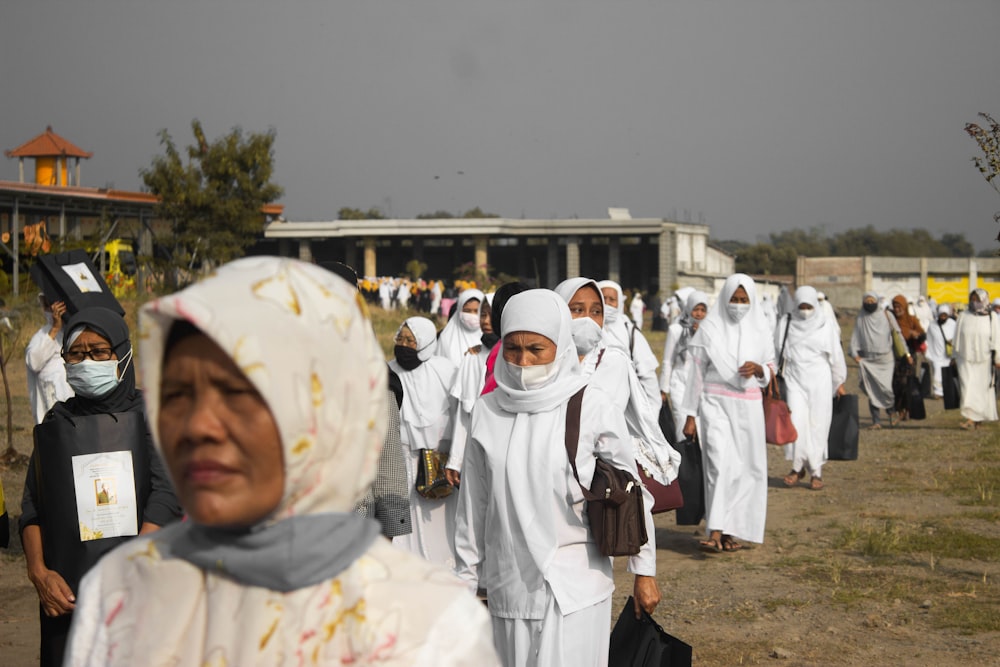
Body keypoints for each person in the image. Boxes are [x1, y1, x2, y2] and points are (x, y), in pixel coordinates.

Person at [63, 257, 498, 666]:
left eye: (236, 393)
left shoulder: (427, 621)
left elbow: (385, 463)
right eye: (177, 394)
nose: (199, 426)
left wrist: (386, 531)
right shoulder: (123, 593)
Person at [454, 288, 660, 667]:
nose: (523, 361)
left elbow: (632, 490)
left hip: (577, 585)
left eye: (536, 349)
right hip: (509, 583)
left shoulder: (590, 403)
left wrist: (643, 571)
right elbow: (473, 508)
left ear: (561, 345)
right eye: (513, 348)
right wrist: (464, 584)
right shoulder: (487, 411)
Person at [21, 306, 182, 667]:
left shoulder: (153, 414)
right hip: (68, 595)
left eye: (99, 352)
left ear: (122, 355)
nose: (86, 361)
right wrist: (39, 573)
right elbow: (33, 503)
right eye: (76, 354)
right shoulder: (57, 420)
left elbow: (167, 494)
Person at [681, 274, 774, 553]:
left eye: (744, 300)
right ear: (724, 298)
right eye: (734, 299)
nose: (738, 305)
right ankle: (716, 529)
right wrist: (690, 414)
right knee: (719, 464)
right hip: (714, 403)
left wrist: (759, 370)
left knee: (746, 468)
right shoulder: (709, 329)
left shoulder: (761, 328)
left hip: (749, 405)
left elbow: (771, 367)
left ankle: (732, 531)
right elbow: (695, 374)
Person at [389, 316, 460, 568]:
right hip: (404, 455)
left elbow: (457, 411)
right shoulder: (389, 370)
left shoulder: (445, 370)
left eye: (411, 340)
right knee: (406, 511)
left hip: (438, 458)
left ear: (427, 343)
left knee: (438, 515)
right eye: (401, 338)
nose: (405, 345)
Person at [776, 287, 847, 491]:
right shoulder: (786, 323)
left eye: (809, 306)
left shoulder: (825, 325)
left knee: (817, 425)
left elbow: (836, 356)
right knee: (796, 424)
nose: (805, 310)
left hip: (820, 381)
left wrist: (838, 382)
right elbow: (776, 351)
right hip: (794, 380)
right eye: (802, 306)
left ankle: (816, 471)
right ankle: (797, 466)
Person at [598, 280, 660, 409]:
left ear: (619, 303)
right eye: (603, 298)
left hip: (625, 407)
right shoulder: (587, 329)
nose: (607, 304)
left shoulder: (629, 332)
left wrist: (652, 410)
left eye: (612, 300)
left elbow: (648, 375)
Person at [660, 290, 709, 442]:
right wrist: (663, 388)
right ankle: (684, 460)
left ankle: (699, 463)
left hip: (703, 384)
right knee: (682, 422)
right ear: (688, 308)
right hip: (679, 382)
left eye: (703, 310)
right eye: (696, 309)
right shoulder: (676, 330)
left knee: (702, 426)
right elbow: (668, 360)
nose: (699, 314)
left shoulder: (711, 332)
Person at [849, 292, 897, 430]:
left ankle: (891, 412)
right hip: (868, 359)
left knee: (885, 388)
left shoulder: (887, 315)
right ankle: (876, 421)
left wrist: (906, 353)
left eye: (872, 300)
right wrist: (854, 354)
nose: (869, 303)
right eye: (867, 301)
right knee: (872, 391)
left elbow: (897, 333)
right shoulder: (861, 317)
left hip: (885, 359)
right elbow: (855, 337)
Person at [953, 289, 1000, 430]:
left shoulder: (992, 317)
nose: (975, 302)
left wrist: (998, 358)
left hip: (984, 359)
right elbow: (956, 337)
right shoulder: (963, 316)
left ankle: (975, 418)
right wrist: (954, 356)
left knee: (980, 389)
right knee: (967, 387)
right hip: (964, 358)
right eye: (972, 299)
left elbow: (997, 339)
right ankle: (971, 417)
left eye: (978, 299)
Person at [25, 295, 74, 424]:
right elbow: (34, 362)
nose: (53, 309)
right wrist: (55, 329)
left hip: (76, 413)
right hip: (50, 417)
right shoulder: (42, 335)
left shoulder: (74, 334)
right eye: (48, 306)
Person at [890, 294, 925, 424]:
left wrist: (913, 334)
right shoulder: (890, 319)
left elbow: (922, 335)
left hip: (909, 356)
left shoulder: (911, 320)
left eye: (899, 306)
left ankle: (907, 410)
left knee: (907, 384)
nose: (897, 309)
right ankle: (899, 410)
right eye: (895, 306)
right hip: (894, 357)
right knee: (896, 385)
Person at [925, 304, 956, 399]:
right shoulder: (932, 325)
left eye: (945, 315)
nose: (943, 317)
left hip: (948, 354)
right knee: (937, 373)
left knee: (947, 373)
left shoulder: (953, 324)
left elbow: (957, 337)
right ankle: (938, 392)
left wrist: (952, 342)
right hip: (936, 353)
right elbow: (928, 338)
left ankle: (946, 392)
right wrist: (928, 353)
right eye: (941, 315)